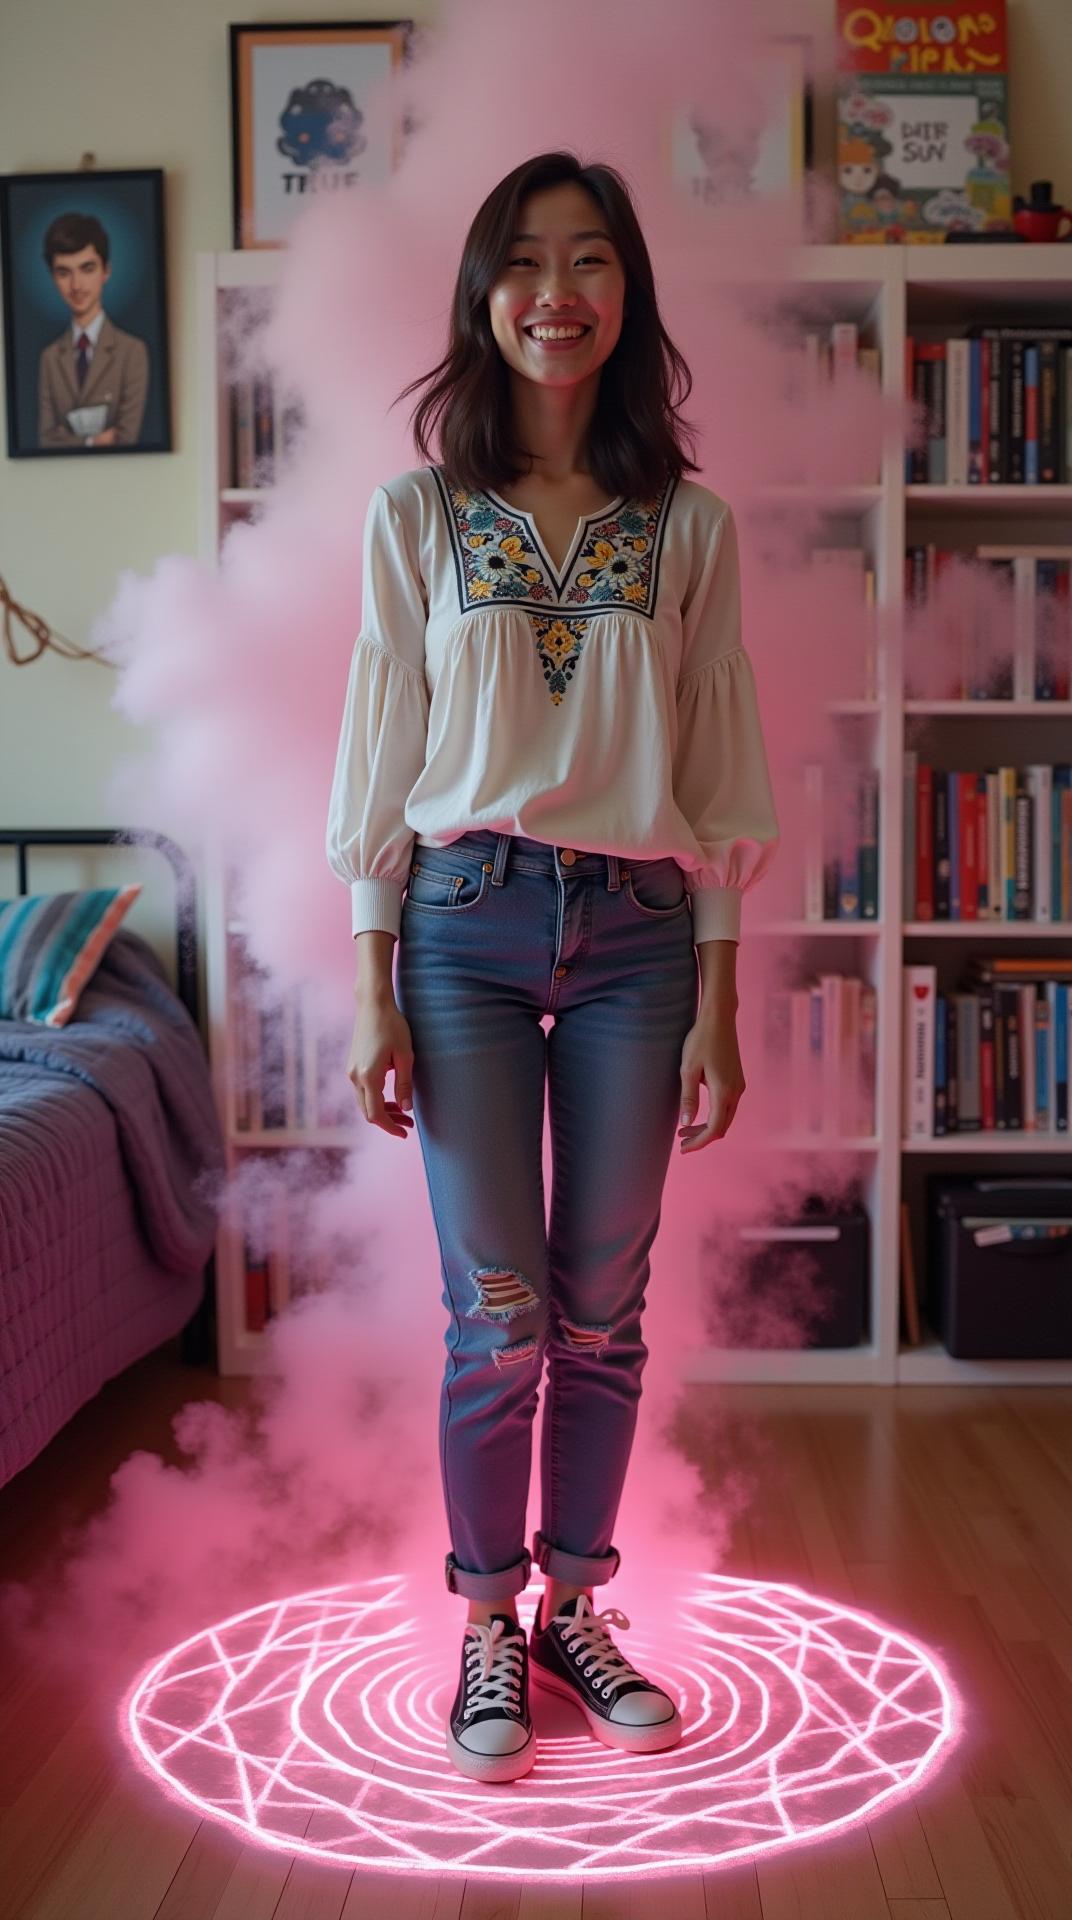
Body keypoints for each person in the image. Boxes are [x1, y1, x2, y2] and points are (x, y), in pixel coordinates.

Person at [326, 151, 780, 1786]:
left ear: (626, 295)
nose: (556, 291)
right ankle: (481, 1627)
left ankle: (576, 1609)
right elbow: (382, 756)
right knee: (495, 1316)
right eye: (524, 262)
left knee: (599, 1312)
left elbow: (719, 775)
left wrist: (721, 997)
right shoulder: (415, 517)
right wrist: (373, 976)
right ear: (480, 294)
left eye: (590, 260)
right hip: (458, 927)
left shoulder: (689, 527)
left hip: (640, 941)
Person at [38, 212, 149, 450]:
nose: (76, 285)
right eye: (64, 272)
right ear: (53, 277)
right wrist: (92, 441)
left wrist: (69, 439)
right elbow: (46, 439)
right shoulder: (49, 357)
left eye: (87, 268)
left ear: (106, 271)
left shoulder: (132, 351)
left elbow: (127, 436)